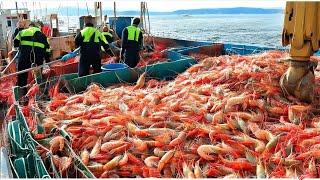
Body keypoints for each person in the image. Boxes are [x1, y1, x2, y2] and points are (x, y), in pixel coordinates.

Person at [14, 21, 51, 94]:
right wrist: (48, 62)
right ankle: (39, 92)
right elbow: (47, 51)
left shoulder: (22, 32)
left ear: (29, 26)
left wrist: (22, 46)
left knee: (22, 76)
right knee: (38, 77)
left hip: (24, 58)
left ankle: (22, 93)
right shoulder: (44, 36)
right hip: (38, 59)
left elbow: (15, 44)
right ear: (38, 28)